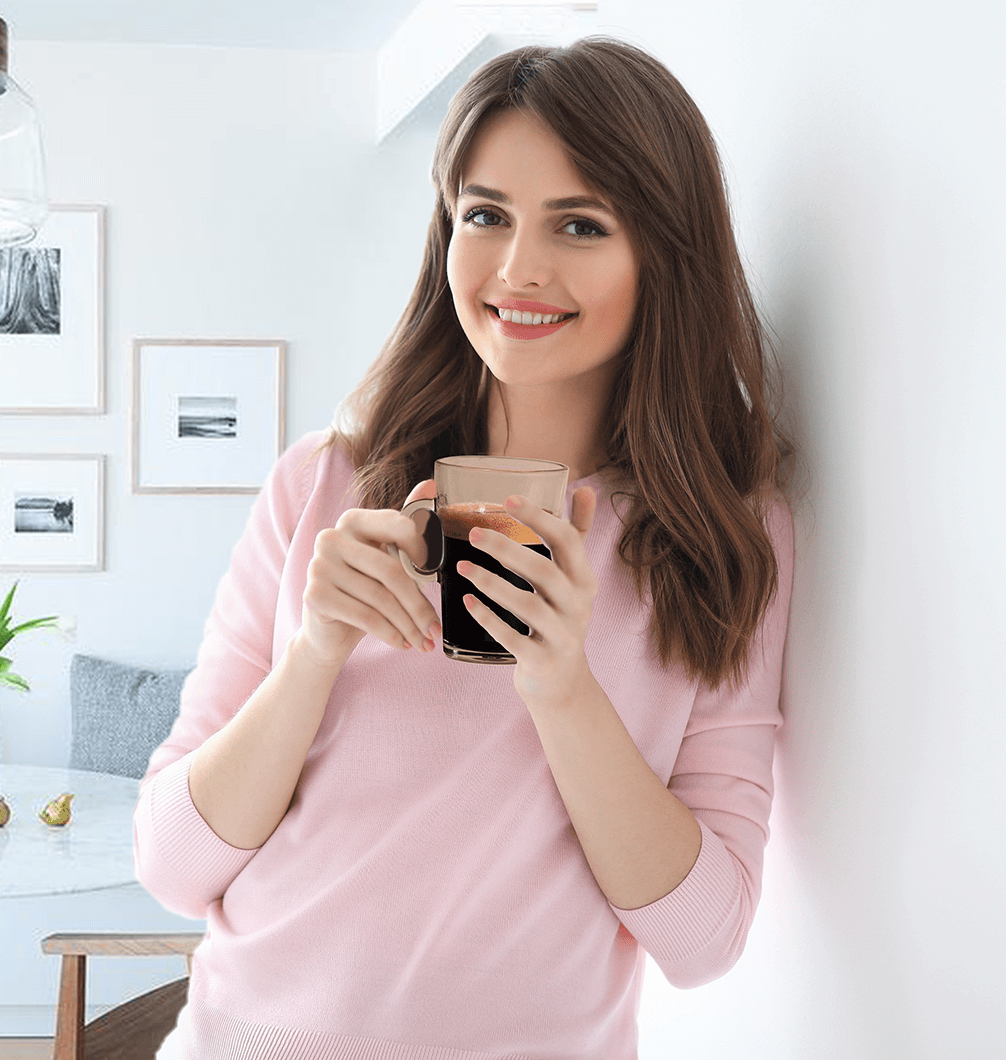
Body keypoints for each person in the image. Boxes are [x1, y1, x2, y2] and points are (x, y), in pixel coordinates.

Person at [133, 36, 795, 1059]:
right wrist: (313, 651)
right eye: (484, 214)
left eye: (579, 223)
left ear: (664, 250)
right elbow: (171, 865)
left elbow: (704, 937)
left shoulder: (722, 533)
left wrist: (563, 685)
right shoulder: (325, 482)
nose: (517, 268)